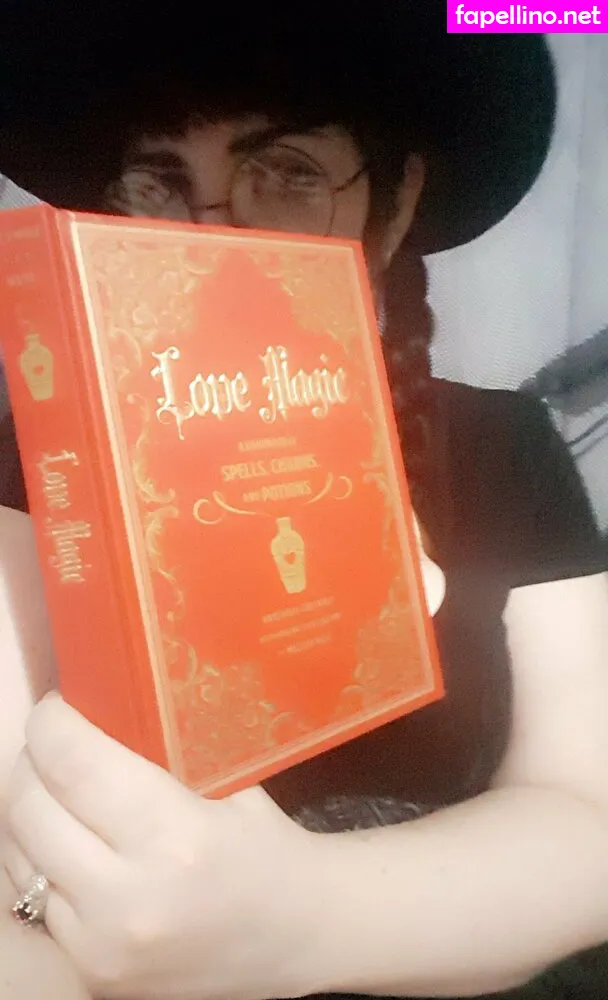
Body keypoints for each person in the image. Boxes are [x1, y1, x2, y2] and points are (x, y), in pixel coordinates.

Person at [1, 2, 608, 998]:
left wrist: (299, 920)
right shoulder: (40, 460)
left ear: (394, 207)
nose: (215, 241)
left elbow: (590, 812)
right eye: (159, 183)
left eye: (286, 173)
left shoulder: (500, 448)